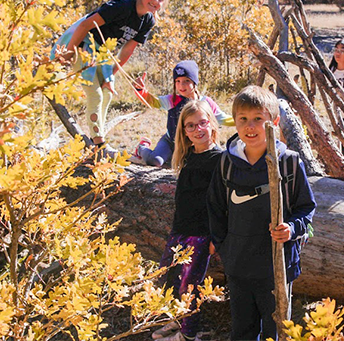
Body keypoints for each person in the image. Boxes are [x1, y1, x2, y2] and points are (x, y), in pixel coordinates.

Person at [207, 85, 316, 341]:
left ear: (274, 122)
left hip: (276, 265)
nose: (250, 126)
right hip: (239, 265)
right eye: (243, 119)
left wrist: (292, 229)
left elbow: (307, 209)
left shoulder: (289, 162)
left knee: (275, 329)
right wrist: (225, 247)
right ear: (234, 122)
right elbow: (215, 207)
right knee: (243, 330)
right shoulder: (227, 163)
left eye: (258, 119)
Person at [51, 0, 169, 154]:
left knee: (107, 92)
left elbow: (127, 49)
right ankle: (99, 144)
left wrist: (110, 75)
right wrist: (68, 52)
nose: (155, 1)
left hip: (104, 52)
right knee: (95, 93)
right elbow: (84, 25)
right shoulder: (121, 7)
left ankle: (96, 136)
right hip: (83, 43)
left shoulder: (148, 21)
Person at [151, 100, 223, 341]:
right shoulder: (189, 156)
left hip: (201, 234)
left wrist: (215, 239)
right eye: (190, 126)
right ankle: (176, 321)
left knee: (189, 287)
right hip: (180, 230)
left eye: (202, 123)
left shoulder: (220, 160)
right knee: (170, 278)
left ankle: (188, 335)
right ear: (183, 131)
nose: (197, 129)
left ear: (212, 124)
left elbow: (223, 204)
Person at [130, 60, 233, 167]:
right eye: (177, 81)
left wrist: (244, 120)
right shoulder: (173, 100)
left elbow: (223, 118)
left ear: (194, 82)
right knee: (155, 161)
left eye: (186, 81)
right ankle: (142, 147)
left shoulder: (206, 103)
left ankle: (172, 157)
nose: (181, 85)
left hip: (194, 144)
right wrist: (140, 89)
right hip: (171, 142)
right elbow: (153, 102)